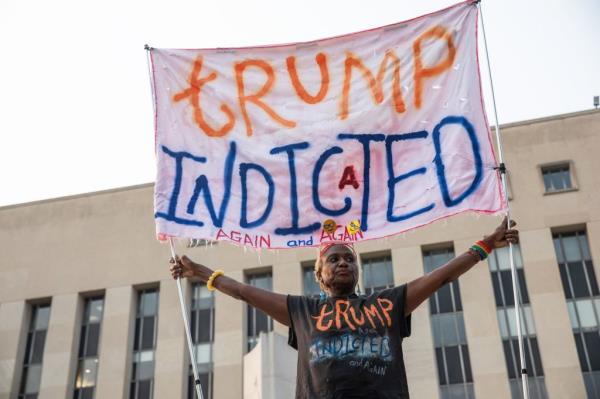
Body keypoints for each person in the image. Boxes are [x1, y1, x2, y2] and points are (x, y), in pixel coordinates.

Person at [170, 217, 518, 399]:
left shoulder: (388, 304)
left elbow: (440, 277)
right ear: (319, 275)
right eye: (333, 259)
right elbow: (244, 292)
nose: (343, 263)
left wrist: (486, 244)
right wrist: (198, 271)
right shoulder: (302, 310)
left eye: (349, 259)